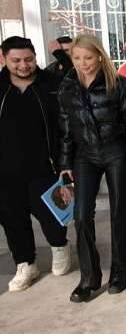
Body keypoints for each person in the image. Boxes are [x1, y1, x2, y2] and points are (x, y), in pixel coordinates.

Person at [58, 34, 126, 303]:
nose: (83, 63)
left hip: (116, 152)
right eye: (77, 58)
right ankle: (89, 279)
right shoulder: (67, 87)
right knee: (81, 215)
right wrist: (65, 163)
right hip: (85, 155)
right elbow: (65, 129)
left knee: (118, 212)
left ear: (100, 56)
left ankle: (119, 273)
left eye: (88, 57)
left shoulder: (119, 84)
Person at [0, 36, 72, 292]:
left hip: (45, 166)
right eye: (16, 60)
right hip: (5, 170)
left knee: (51, 215)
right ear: (3, 59)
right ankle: (25, 263)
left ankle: (60, 247)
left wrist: (66, 162)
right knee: (12, 219)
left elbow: (67, 125)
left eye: (28, 59)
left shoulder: (52, 84)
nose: (23, 65)